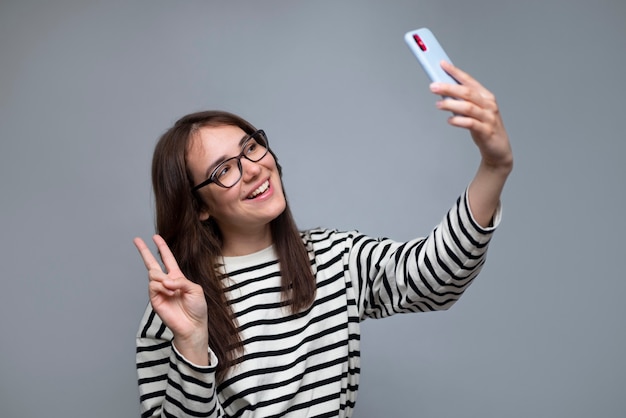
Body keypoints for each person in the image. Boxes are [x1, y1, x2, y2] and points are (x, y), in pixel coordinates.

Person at [133, 60, 513, 418]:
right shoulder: (175, 309)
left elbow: (436, 280)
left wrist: (494, 167)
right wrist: (193, 344)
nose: (252, 169)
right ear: (199, 206)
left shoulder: (334, 257)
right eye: (224, 170)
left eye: (250, 147)